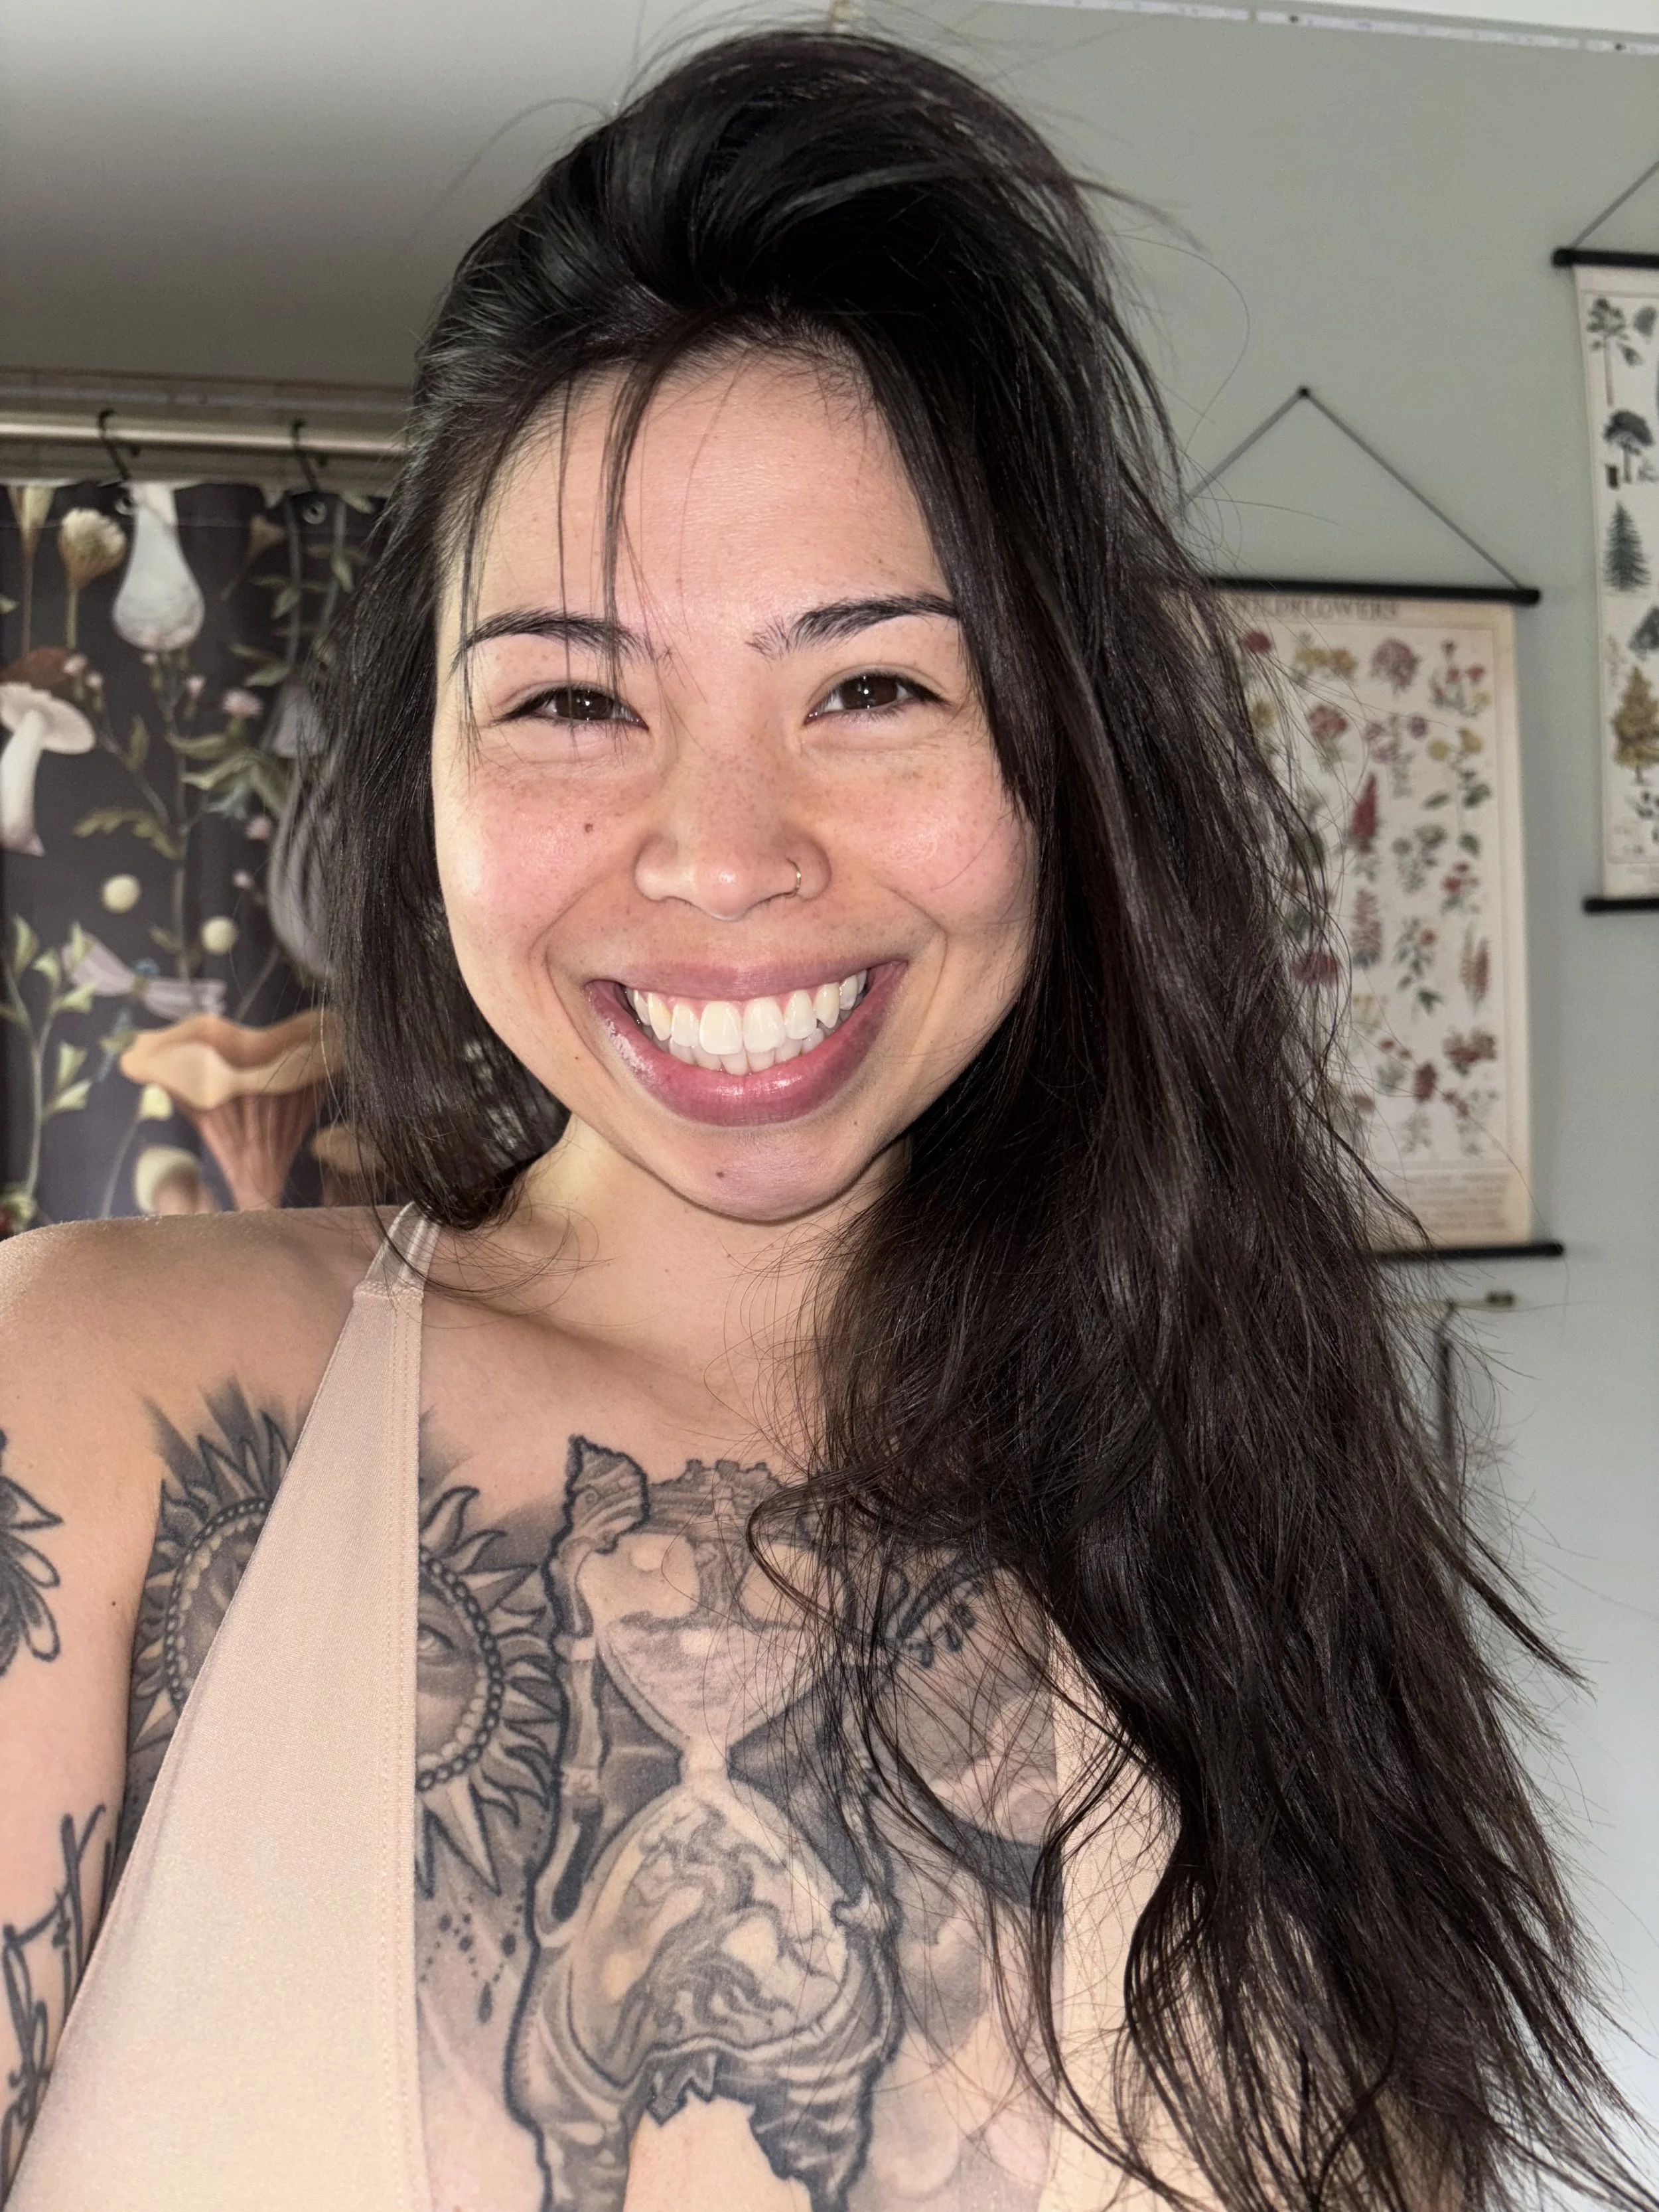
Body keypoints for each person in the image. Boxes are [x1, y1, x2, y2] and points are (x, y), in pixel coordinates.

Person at [0, 29, 1649, 2212]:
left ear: (1062, 760)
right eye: (575, 698)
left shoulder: (1260, 1518)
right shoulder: (97, 1401)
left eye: (869, 684)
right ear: (424, 775)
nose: (718, 851)